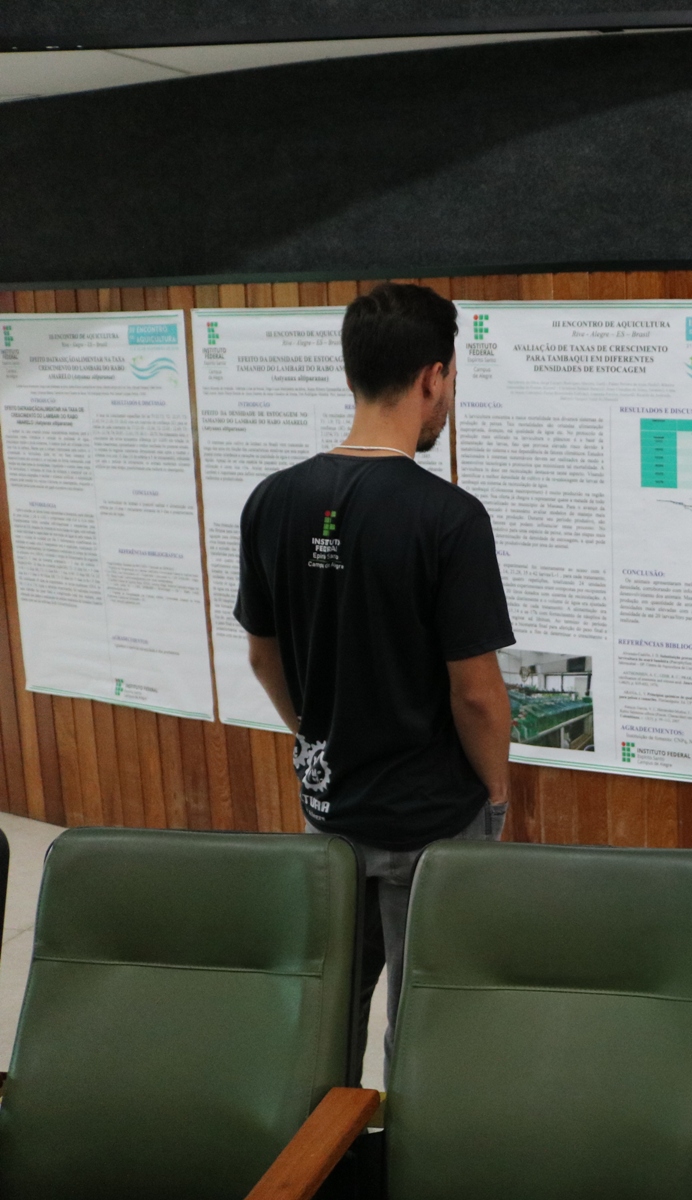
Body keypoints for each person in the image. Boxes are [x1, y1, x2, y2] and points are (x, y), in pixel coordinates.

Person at [236, 282, 516, 1082]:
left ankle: (321, 1142)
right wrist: (497, 794)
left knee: (326, 1016)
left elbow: (263, 656)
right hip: (430, 820)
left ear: (352, 372)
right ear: (434, 377)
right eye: (451, 380)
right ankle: (412, 1144)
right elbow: (475, 694)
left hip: (328, 813)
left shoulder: (272, 500)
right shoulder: (450, 519)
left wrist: (315, 732)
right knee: (429, 1023)